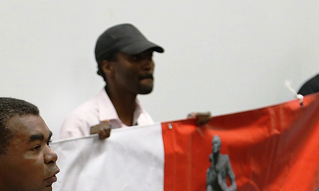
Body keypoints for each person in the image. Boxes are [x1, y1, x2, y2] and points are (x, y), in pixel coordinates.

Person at [60, 23, 211, 140]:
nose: (147, 65)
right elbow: (64, 179)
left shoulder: (145, 121)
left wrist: (191, 131)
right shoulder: (81, 122)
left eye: (149, 57)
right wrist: (88, 145)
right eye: (135, 58)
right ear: (108, 67)